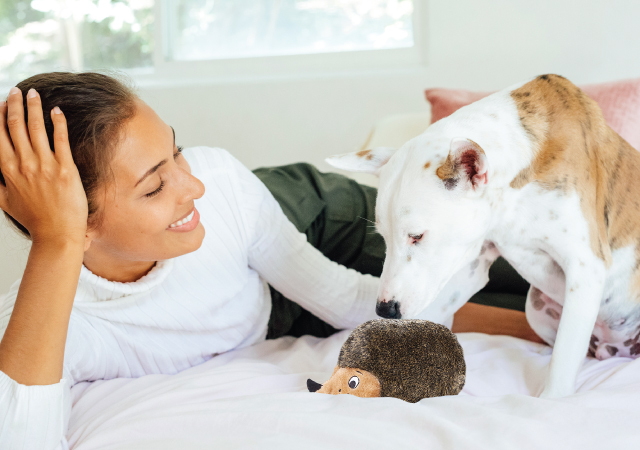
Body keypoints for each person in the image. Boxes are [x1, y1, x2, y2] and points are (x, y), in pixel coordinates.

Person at [0, 72, 541, 449]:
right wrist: (57, 243)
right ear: (75, 223)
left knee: (528, 263)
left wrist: (546, 331)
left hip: (309, 224)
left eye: (177, 150)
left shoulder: (220, 188)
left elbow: (343, 296)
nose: (194, 184)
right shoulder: (49, 324)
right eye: (155, 185)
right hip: (271, 313)